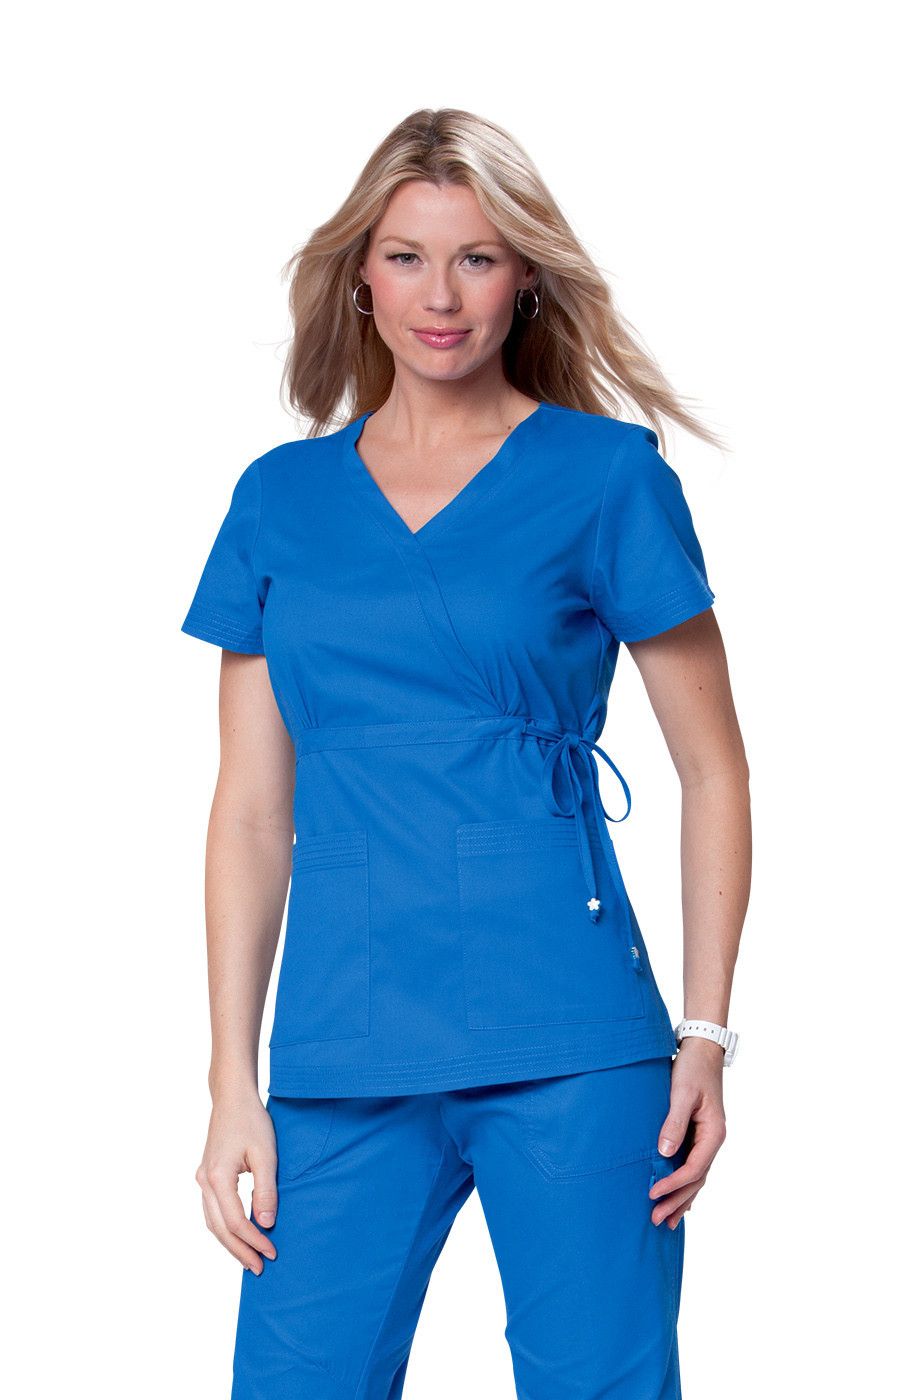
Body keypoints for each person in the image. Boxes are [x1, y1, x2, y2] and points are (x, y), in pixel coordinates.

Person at [181, 107, 750, 1400]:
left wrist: (706, 1036)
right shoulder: (279, 498)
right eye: (407, 257)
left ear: (526, 278)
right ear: (360, 277)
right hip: (342, 1036)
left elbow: (715, 770)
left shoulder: (607, 476)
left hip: (573, 1032)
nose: (440, 297)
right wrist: (229, 1080)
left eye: (478, 258)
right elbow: (251, 813)